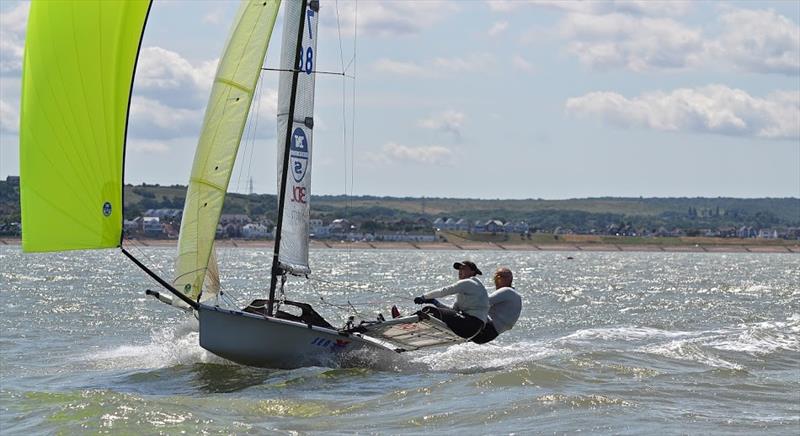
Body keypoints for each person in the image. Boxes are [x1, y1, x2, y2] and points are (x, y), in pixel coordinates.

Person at [412, 260, 489, 339]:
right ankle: (415, 332)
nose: (460, 271)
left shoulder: (469, 282)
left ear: (472, 272)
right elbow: (453, 311)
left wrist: (424, 297)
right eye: (459, 269)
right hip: (472, 330)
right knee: (434, 311)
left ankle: (408, 325)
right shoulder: (471, 289)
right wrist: (435, 302)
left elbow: (444, 291)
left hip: (471, 324)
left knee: (430, 310)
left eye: (463, 268)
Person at [471, 267, 522, 344]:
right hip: (489, 335)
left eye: (498, 278)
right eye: (495, 278)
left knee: (446, 311)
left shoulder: (507, 291)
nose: (495, 281)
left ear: (509, 279)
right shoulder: (515, 295)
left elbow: (482, 303)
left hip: (484, 330)